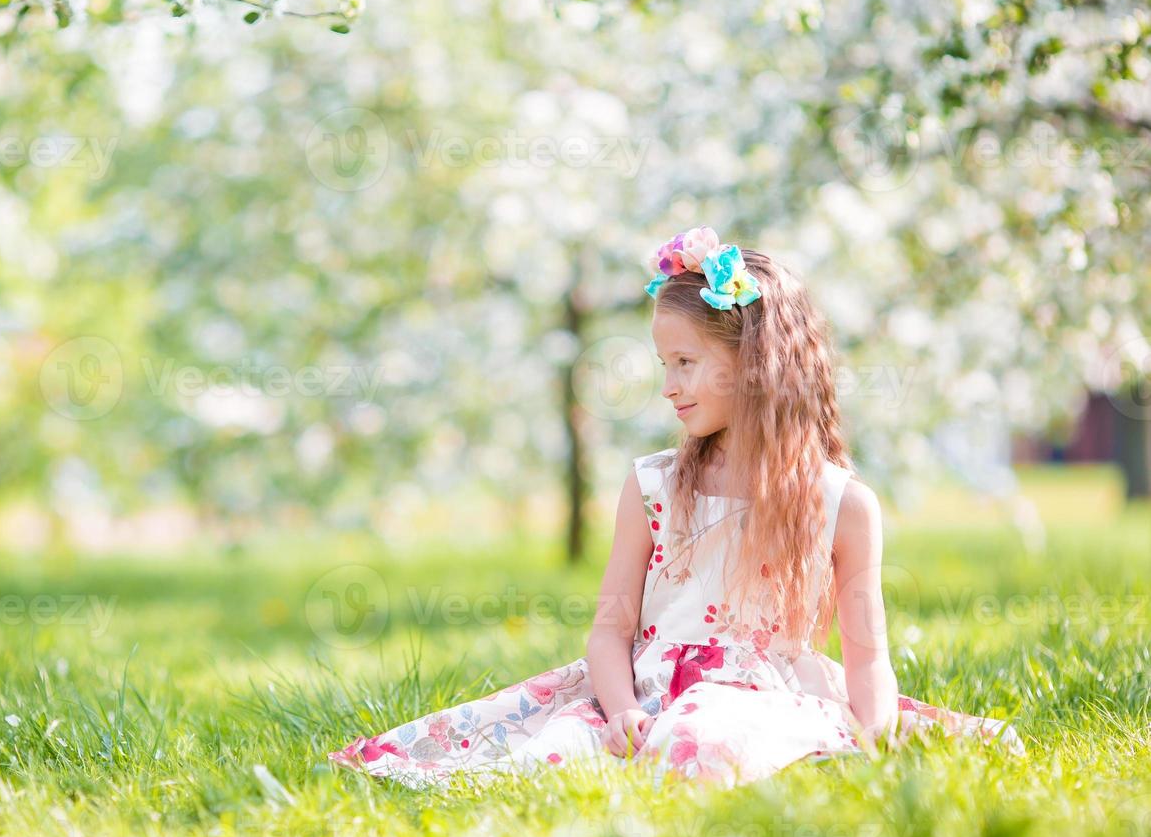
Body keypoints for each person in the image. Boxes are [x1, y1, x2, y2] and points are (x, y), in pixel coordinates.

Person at [328, 227, 1026, 790]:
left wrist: (873, 737)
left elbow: (868, 654)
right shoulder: (655, 487)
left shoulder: (840, 504)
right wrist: (623, 708)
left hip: (764, 694)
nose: (668, 387)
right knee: (545, 755)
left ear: (755, 363)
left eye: (685, 363)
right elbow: (610, 630)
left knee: (712, 738)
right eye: (665, 364)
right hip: (646, 690)